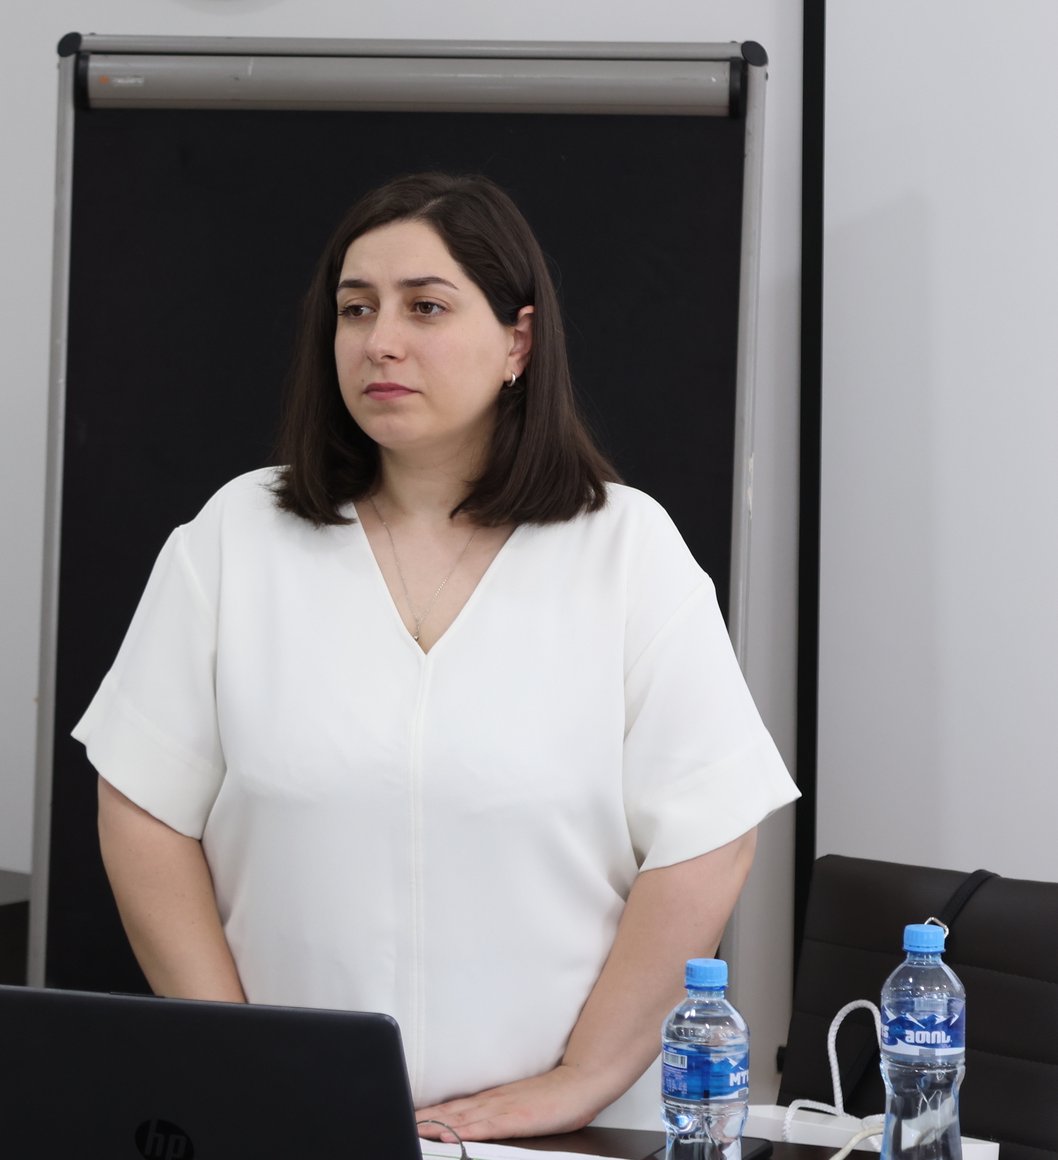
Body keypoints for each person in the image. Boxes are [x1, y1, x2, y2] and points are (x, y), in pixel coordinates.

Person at [72, 172, 799, 1138]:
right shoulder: (235, 539)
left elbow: (711, 835)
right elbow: (140, 806)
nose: (381, 341)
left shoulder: (625, 550)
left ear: (518, 343)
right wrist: (236, 1056)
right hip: (294, 1122)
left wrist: (581, 1078)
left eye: (425, 306)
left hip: (560, 1136)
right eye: (355, 309)